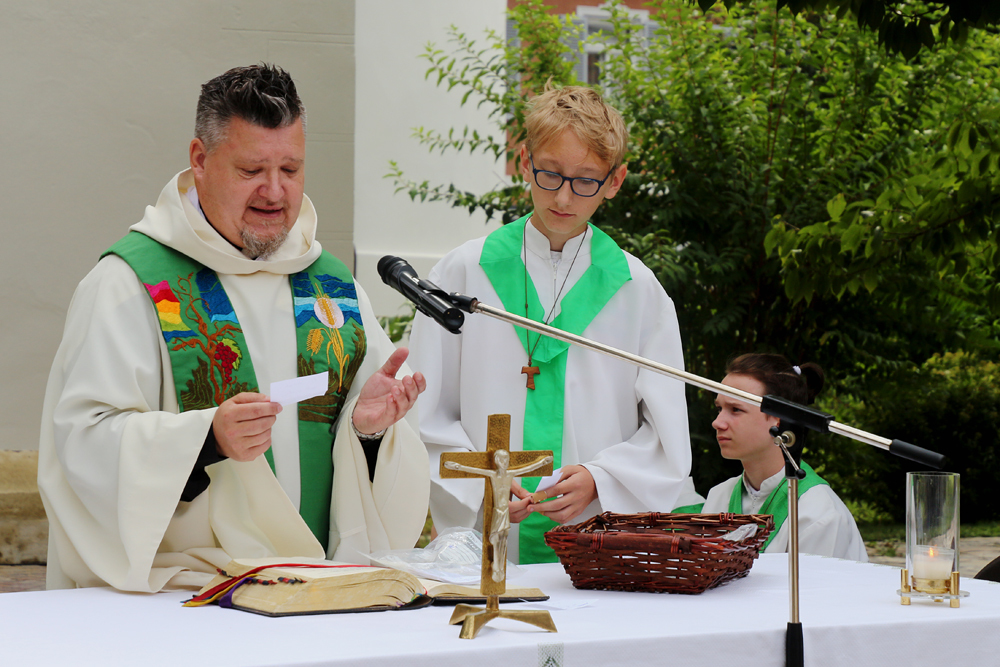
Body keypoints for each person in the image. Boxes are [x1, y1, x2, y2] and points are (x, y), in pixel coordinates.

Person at [37, 64, 430, 592]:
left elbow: (365, 454)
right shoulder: (130, 284)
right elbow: (81, 444)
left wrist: (369, 429)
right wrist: (205, 440)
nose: (275, 192)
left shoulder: (330, 288)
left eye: (290, 169)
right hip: (189, 592)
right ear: (200, 160)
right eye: (252, 170)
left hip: (319, 591)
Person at [408, 84, 694, 565]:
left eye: (585, 181)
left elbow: (665, 432)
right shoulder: (463, 273)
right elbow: (424, 409)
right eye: (550, 174)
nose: (564, 196)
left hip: (596, 537)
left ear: (615, 181)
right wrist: (485, 479)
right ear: (525, 161)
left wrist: (603, 478)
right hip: (485, 536)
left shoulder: (636, 290)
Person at [694, 353, 867, 561]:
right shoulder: (718, 497)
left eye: (735, 409)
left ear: (778, 418)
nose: (717, 422)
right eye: (719, 408)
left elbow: (814, 594)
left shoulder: (818, 515)